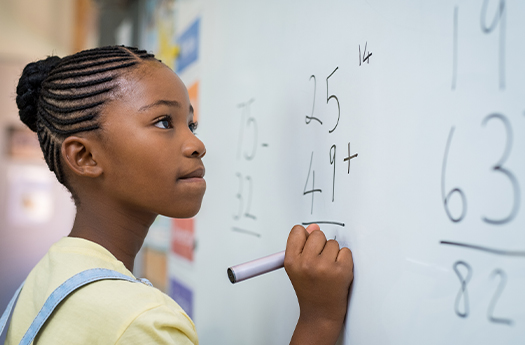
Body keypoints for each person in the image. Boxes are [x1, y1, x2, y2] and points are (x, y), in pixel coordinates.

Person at [3, 46, 354, 345]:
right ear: (85, 157)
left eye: (191, 124)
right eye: (163, 123)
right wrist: (319, 321)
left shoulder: (47, 277)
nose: (197, 145)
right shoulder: (141, 323)